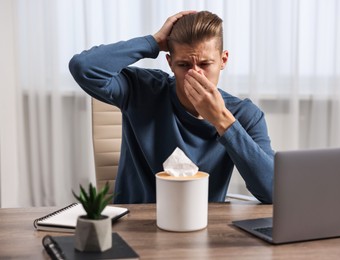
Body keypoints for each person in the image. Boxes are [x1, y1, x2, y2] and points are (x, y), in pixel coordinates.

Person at [69, 10, 274, 204]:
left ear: (223, 60)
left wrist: (222, 120)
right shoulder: (142, 90)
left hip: (203, 226)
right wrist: (154, 42)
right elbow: (83, 67)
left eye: (205, 64)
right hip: (136, 225)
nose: (195, 74)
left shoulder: (245, 115)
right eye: (184, 65)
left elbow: (273, 191)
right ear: (170, 62)